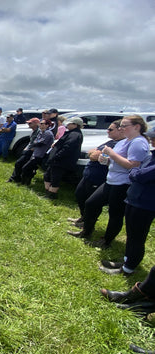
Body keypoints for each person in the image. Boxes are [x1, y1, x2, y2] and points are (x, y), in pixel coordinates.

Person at [68, 115, 150, 249]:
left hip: (123, 183)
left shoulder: (138, 142)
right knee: (91, 203)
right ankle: (86, 231)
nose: (121, 128)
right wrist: (105, 159)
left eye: (124, 126)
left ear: (137, 127)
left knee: (115, 214)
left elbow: (133, 165)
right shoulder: (125, 141)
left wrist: (111, 154)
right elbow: (115, 159)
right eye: (121, 126)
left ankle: (106, 241)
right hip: (111, 180)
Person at [98, 126, 155, 276]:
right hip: (136, 198)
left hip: (146, 203)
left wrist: (135, 170)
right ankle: (126, 262)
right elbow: (138, 171)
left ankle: (128, 269)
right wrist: (136, 170)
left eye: (153, 137)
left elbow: (139, 174)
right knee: (131, 234)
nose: (151, 140)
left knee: (137, 237)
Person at [67, 121, 123, 228]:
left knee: (91, 202)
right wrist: (96, 153)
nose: (107, 131)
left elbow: (95, 155)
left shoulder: (119, 144)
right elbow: (91, 152)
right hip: (89, 174)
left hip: (98, 177)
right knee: (80, 194)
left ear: (120, 131)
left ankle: (88, 223)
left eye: (111, 129)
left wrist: (97, 153)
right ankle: (83, 217)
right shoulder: (110, 141)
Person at [43, 117, 84, 199]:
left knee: (55, 178)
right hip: (57, 159)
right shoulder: (70, 133)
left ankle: (52, 195)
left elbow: (68, 147)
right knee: (47, 175)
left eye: (69, 123)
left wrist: (57, 156)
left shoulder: (75, 135)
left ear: (75, 125)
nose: (67, 125)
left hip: (62, 160)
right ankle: (47, 191)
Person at [20, 119, 55, 185]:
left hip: (40, 155)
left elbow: (39, 143)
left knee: (25, 168)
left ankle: (24, 182)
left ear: (47, 125)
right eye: (40, 123)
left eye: (42, 124)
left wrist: (36, 142)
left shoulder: (48, 133)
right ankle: (26, 182)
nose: (40, 125)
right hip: (35, 153)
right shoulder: (41, 132)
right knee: (29, 168)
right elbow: (35, 141)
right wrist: (36, 142)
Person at [7, 118, 41, 183]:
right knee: (20, 164)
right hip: (27, 150)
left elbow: (38, 142)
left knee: (19, 163)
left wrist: (32, 149)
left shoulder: (39, 132)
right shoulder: (33, 131)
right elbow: (31, 141)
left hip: (32, 152)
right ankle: (17, 178)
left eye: (30, 123)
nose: (28, 124)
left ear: (36, 123)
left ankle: (17, 179)